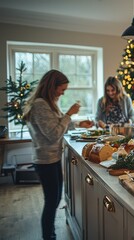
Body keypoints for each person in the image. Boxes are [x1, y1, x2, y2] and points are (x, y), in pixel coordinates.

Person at [23, 70, 94, 240]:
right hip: (45, 161)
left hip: (52, 159)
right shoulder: (40, 105)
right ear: (51, 86)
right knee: (51, 202)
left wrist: (78, 123)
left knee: (54, 200)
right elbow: (54, 134)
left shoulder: (48, 103)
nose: (63, 93)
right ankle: (49, 236)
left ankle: (50, 234)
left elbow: (60, 125)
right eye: (62, 89)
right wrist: (69, 114)